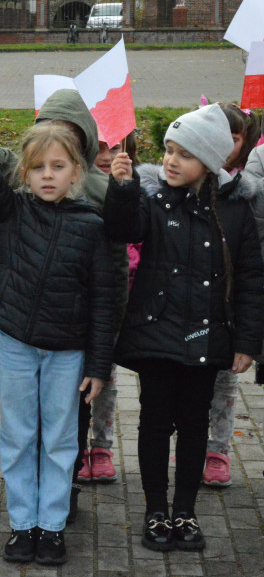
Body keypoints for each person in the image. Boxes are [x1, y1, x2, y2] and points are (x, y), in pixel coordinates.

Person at [0, 81, 114, 566]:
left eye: (58, 167)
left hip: (68, 352)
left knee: (61, 439)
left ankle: (52, 524)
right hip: (18, 343)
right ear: (26, 172)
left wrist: (99, 365)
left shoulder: (92, 224)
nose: (47, 176)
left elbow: (104, 300)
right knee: (19, 435)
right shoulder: (13, 209)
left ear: (77, 171)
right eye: (38, 168)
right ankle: (24, 524)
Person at [105, 104, 264, 553]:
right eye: (168, 151)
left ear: (210, 162)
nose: (171, 161)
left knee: (194, 423)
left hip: (207, 338)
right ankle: (156, 509)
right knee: (155, 422)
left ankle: (186, 511)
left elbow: (251, 278)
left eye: (184, 154)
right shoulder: (150, 202)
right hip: (155, 335)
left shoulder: (235, 212)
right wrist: (121, 189)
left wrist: (247, 341)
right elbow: (120, 230)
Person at [201, 103, 262, 487]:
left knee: (224, 382)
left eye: (234, 136)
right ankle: (193, 442)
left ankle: (218, 450)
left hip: (231, 301)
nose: (225, 144)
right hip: (195, 300)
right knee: (192, 382)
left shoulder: (248, 187)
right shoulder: (187, 175)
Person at [76, 130, 139, 486]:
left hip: (116, 302)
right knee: (78, 378)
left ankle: (101, 446)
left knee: (106, 378)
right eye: (98, 148)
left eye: (114, 147)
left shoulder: (131, 189)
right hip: (81, 302)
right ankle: (78, 447)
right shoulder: (81, 189)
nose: (105, 155)